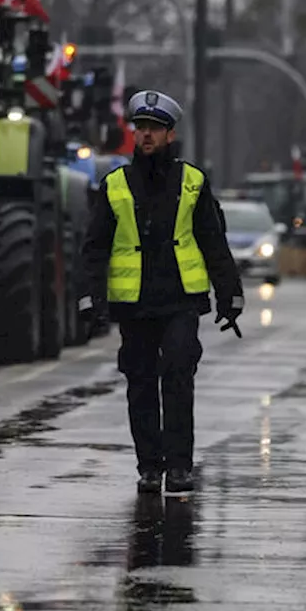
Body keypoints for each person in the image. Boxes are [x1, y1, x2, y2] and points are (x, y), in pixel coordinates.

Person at [78, 90, 243, 494]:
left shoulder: (192, 182)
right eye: (141, 128)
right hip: (134, 305)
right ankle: (150, 467)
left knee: (178, 376)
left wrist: (230, 295)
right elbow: (95, 247)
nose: (146, 135)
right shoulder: (115, 184)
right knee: (140, 383)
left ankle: (180, 467)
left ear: (170, 134)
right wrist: (89, 297)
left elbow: (212, 242)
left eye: (155, 129)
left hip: (181, 301)